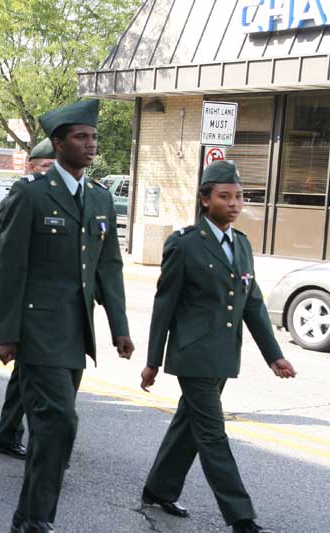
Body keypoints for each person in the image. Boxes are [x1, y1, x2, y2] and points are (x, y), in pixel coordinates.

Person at [0, 100, 134, 533]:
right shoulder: (32, 194)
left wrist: (120, 328)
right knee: (59, 422)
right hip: (37, 331)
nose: (90, 145)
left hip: (76, 334)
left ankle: (28, 514)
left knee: (54, 428)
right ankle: (34, 519)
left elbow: (108, 266)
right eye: (81, 137)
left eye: (93, 137)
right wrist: (6, 333)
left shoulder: (99, 198)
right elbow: (10, 266)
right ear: (58, 144)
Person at [139, 161, 297, 533]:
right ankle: (241, 516)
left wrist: (274, 355)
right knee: (212, 434)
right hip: (193, 356)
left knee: (188, 425)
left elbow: (252, 304)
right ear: (205, 199)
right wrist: (152, 361)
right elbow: (165, 306)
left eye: (239, 196)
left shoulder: (241, 245)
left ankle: (159, 489)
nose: (235, 203)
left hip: (224, 356)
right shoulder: (185, 244)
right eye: (225, 196)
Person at [0, 137, 56, 461]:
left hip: (49, 306)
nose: (51, 174)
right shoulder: (21, 198)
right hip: (24, 302)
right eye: (46, 168)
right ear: (32, 167)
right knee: (30, 372)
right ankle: (23, 437)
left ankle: (8, 433)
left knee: (25, 372)